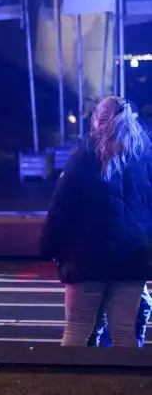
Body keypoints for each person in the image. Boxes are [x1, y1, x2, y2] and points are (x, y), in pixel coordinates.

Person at [41, 96, 152, 348]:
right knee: (124, 331)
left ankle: (72, 385)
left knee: (78, 328)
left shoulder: (84, 157)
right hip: (132, 256)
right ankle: (125, 386)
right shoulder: (144, 155)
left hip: (86, 255)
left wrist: (48, 247)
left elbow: (61, 207)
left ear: (96, 120)